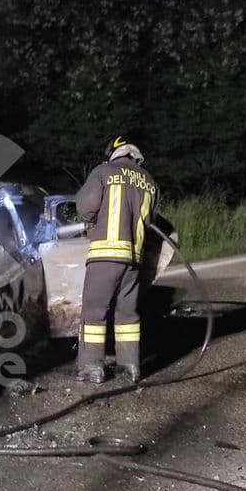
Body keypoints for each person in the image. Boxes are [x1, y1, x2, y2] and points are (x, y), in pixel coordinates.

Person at [75, 136, 159, 384]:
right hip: (134, 259)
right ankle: (130, 367)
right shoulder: (149, 181)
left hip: (106, 255)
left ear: (113, 152)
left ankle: (91, 367)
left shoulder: (104, 171)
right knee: (127, 316)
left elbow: (85, 207)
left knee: (94, 312)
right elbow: (151, 220)